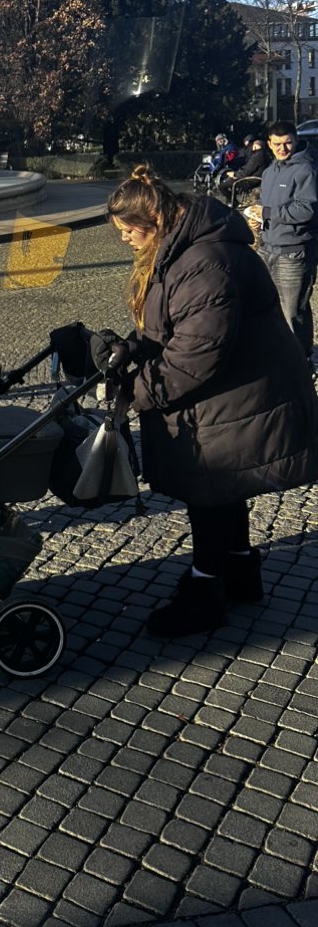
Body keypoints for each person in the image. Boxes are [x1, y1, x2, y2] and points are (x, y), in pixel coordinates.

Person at [97, 166, 318, 638]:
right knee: (225, 485)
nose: (124, 239)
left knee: (210, 489)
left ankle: (205, 594)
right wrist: (132, 348)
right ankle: (238, 571)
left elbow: (195, 356)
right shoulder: (182, 247)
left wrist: (136, 392)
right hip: (238, 383)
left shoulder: (206, 260)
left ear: (156, 219)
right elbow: (174, 326)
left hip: (242, 391)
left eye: (128, 229)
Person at [252, 121, 318, 360]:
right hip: (268, 248)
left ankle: (301, 361)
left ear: (296, 140)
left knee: (293, 312)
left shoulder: (306, 170)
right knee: (269, 307)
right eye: (278, 144)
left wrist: (268, 213)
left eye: (288, 142)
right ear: (269, 144)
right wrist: (258, 218)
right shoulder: (270, 172)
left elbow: (306, 210)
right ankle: (279, 355)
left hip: (295, 252)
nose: (283, 148)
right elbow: (265, 204)